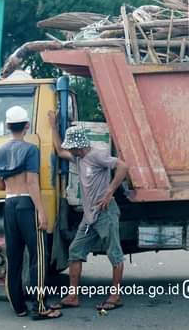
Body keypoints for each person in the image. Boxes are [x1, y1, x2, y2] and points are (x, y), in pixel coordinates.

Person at [47, 112, 128, 313]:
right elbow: (59, 150)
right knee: (75, 250)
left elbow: (123, 166)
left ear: (79, 145)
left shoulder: (96, 155)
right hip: (89, 217)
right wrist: (52, 126)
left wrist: (109, 192)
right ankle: (73, 296)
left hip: (105, 213)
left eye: (71, 146)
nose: (69, 149)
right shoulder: (79, 159)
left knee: (114, 254)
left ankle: (115, 296)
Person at [0, 106, 61, 321]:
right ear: (27, 126)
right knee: (38, 257)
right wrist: (41, 212)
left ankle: (18, 307)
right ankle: (40, 307)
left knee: (13, 257)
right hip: (26, 205)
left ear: (7, 126)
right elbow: (32, 183)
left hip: (9, 205)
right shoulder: (31, 150)